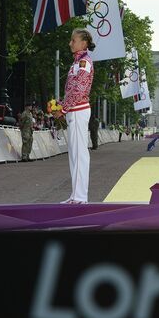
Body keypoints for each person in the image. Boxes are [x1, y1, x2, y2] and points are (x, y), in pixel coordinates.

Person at [53, 28, 96, 204]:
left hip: (78, 110)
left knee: (79, 155)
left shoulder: (84, 62)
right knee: (75, 155)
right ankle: (76, 195)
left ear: (83, 43)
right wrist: (62, 104)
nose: (70, 43)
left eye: (73, 40)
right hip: (74, 110)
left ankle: (79, 197)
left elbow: (79, 89)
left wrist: (63, 108)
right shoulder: (77, 62)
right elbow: (73, 89)